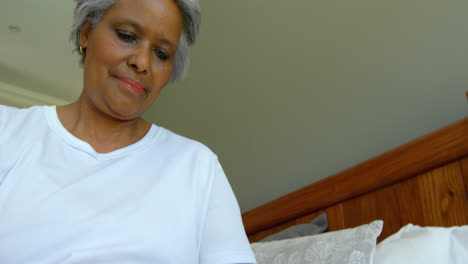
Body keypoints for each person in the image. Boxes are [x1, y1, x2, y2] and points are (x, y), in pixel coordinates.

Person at [0, 0, 256, 263]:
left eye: (161, 53)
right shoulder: (7, 131)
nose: (142, 62)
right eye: (127, 36)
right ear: (87, 32)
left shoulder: (198, 167)